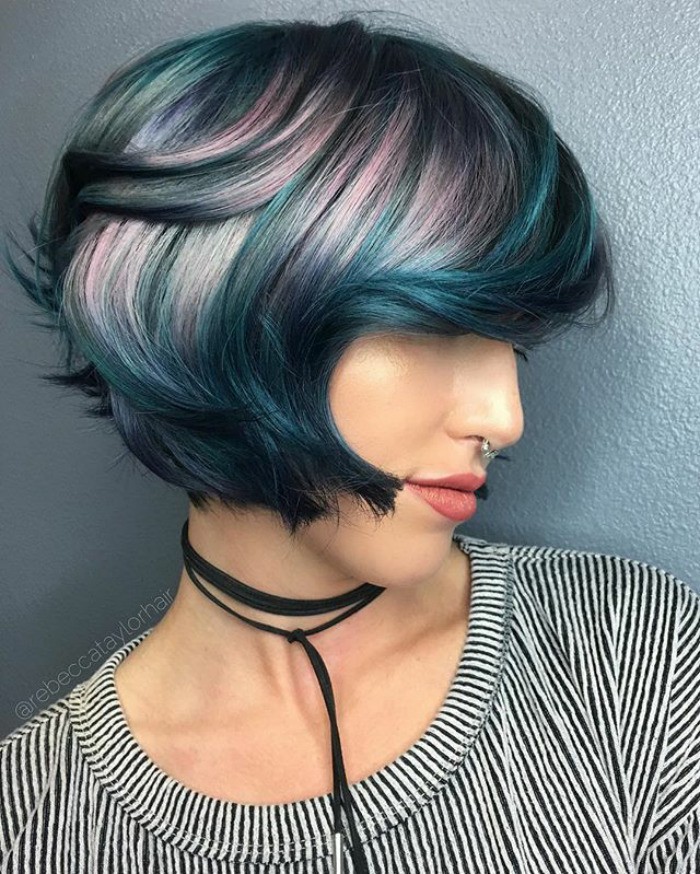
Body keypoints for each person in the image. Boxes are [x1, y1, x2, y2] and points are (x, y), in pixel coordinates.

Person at [1, 14, 698, 874]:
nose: (505, 417)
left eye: (512, 346)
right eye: (431, 326)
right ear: (204, 306)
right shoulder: (33, 818)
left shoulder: (630, 651)